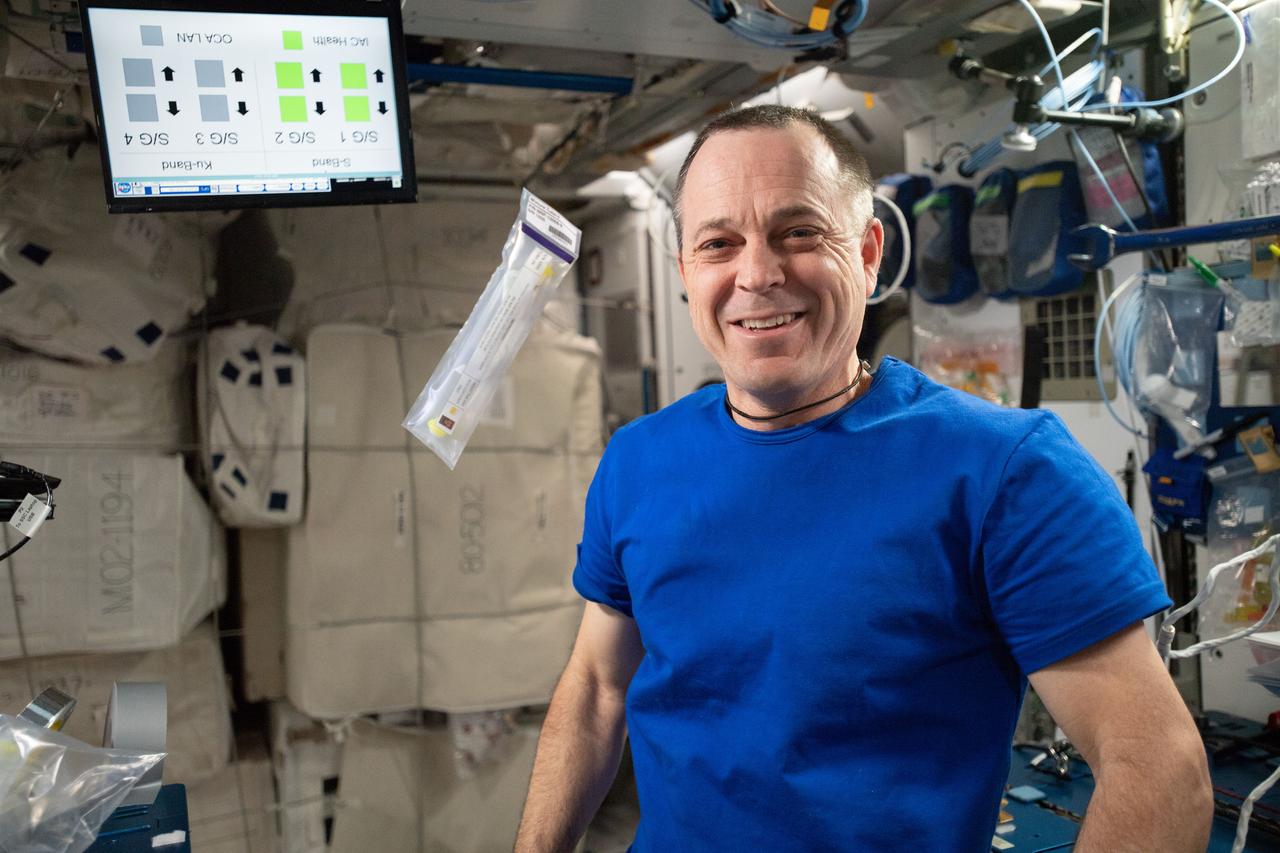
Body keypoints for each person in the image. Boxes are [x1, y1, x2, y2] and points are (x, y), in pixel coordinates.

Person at [514, 104, 1211, 852]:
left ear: (870, 251)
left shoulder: (1006, 471)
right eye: (719, 243)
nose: (758, 273)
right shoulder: (638, 461)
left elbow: (1160, 769)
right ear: (686, 270)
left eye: (799, 233)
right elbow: (595, 689)